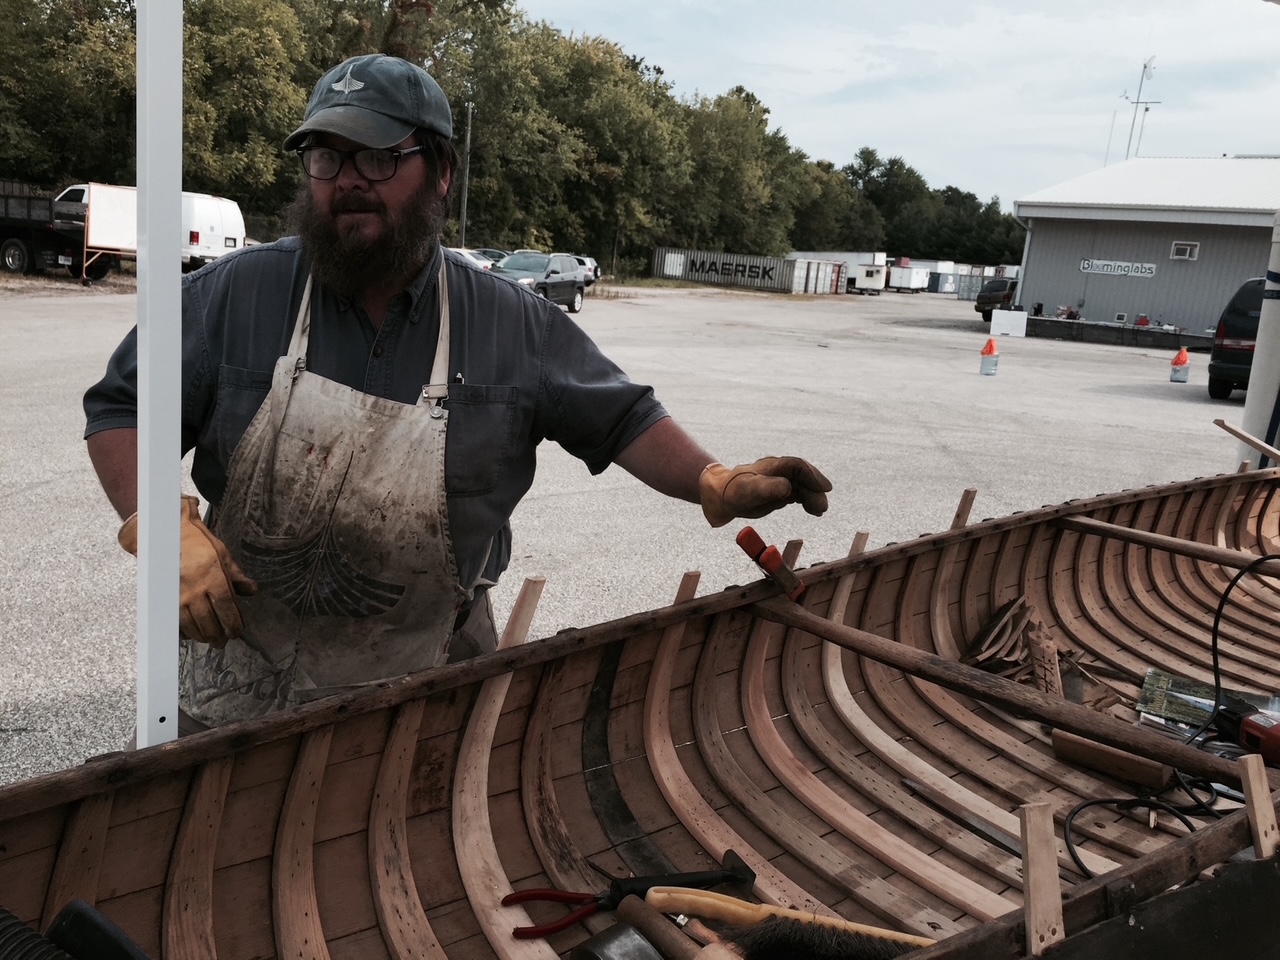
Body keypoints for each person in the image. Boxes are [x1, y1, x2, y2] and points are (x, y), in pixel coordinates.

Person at [83, 54, 831, 729]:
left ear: (441, 171)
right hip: (234, 677)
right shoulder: (232, 296)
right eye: (325, 155)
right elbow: (121, 410)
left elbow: (624, 418)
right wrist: (154, 520)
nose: (345, 180)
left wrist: (714, 480)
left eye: (377, 157)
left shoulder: (513, 325)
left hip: (430, 680)